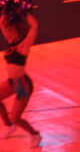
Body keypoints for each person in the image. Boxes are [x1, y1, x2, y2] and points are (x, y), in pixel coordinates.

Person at [0, 11, 41, 147]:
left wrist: (25, 11)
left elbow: (34, 26)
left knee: (15, 117)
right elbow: (1, 23)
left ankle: (34, 134)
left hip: (23, 85)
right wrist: (7, 9)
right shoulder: (11, 41)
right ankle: (9, 126)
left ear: (17, 30)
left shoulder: (24, 45)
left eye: (10, 30)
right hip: (12, 82)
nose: (8, 32)